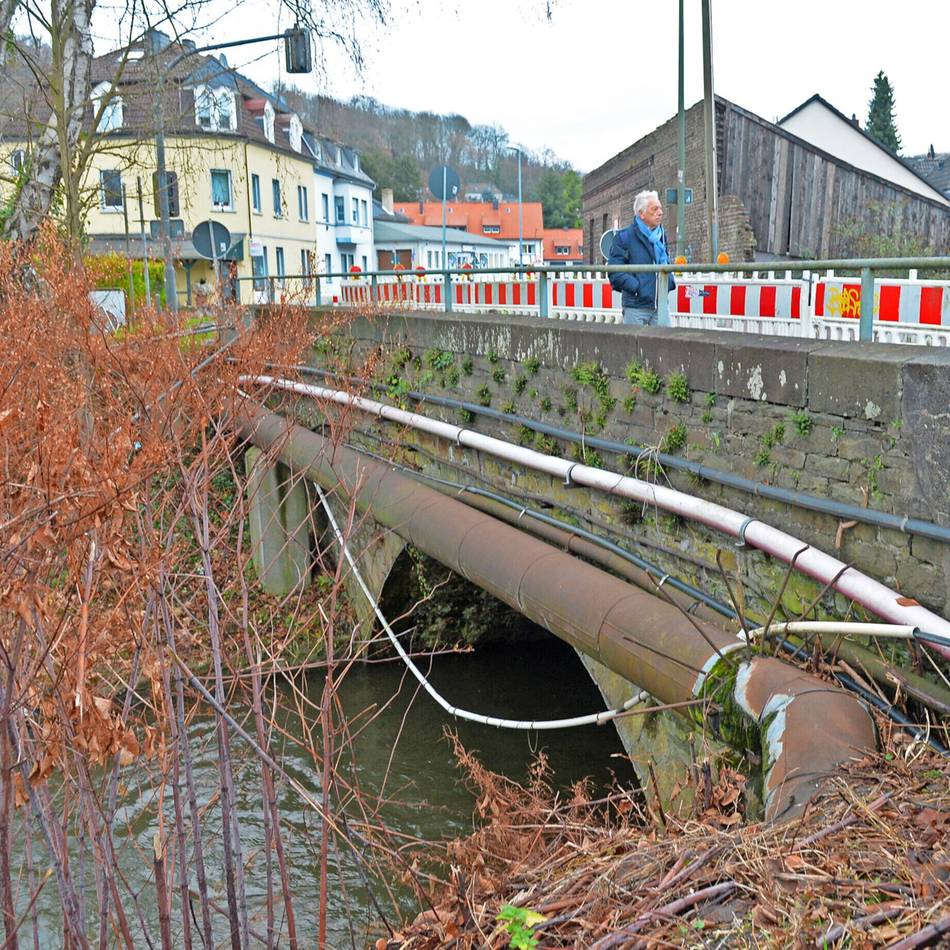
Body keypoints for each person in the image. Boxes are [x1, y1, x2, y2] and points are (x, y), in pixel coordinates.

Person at [608, 190, 676, 326]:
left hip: (660, 304)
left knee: (666, 345)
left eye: (660, 208)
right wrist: (637, 287)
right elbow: (614, 271)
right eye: (655, 209)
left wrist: (669, 281)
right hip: (636, 306)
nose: (660, 212)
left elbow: (665, 262)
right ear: (641, 213)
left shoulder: (661, 235)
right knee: (634, 346)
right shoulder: (624, 237)